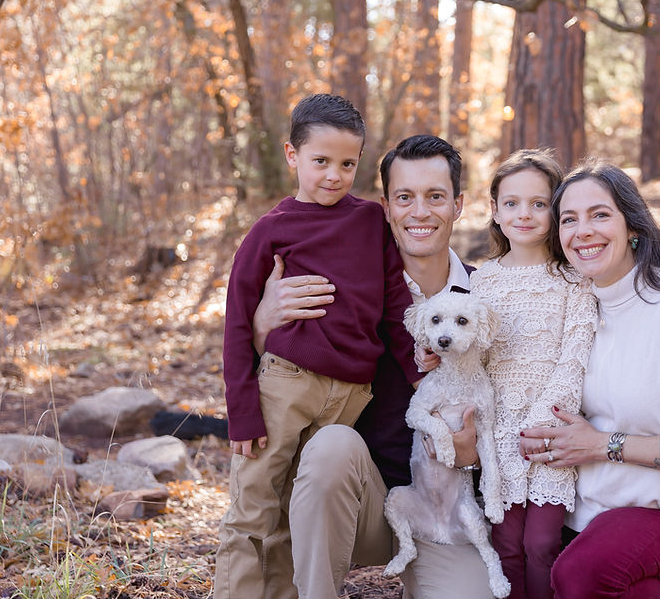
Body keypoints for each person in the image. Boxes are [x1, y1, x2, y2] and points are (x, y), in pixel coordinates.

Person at [251, 134, 496, 598]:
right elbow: (280, 384)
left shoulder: (487, 303)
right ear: (386, 206)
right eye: (405, 198)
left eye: (435, 197)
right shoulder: (346, 296)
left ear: (459, 205)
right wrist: (262, 327)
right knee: (330, 445)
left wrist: (474, 454)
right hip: (366, 501)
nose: (419, 212)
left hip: (448, 514)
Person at [215, 94, 424, 599]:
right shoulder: (271, 230)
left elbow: (396, 302)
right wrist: (242, 413)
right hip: (287, 384)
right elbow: (238, 323)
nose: (334, 175)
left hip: (350, 395)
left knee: (298, 507)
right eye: (321, 161)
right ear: (293, 155)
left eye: (347, 164)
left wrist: (418, 362)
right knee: (255, 505)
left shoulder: (371, 222)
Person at [521, 162, 660, 599]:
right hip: (578, 509)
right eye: (569, 219)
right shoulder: (569, 306)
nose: (582, 230)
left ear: (633, 226)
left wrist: (602, 444)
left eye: (600, 214)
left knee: (582, 574)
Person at [469, 150, 596, 599]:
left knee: (541, 542)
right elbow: (476, 358)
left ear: (555, 211)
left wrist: (541, 424)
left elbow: (575, 356)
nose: (524, 214)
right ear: (495, 211)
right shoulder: (483, 281)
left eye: (539, 204)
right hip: (498, 428)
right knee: (505, 542)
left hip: (551, 427)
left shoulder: (573, 279)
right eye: (512, 203)